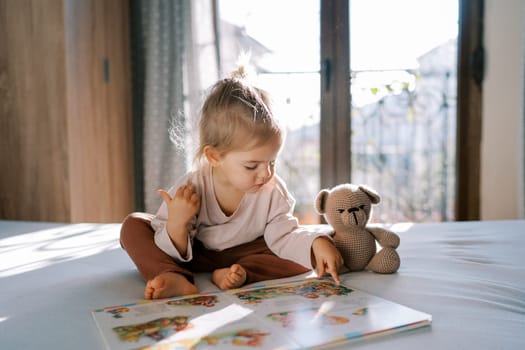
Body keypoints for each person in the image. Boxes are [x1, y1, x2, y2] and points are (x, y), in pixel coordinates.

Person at [120, 66, 343, 300]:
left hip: (249, 252)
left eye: (272, 162)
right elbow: (168, 247)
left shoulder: (272, 189)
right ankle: (173, 276)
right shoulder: (192, 186)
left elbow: (284, 237)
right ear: (215, 156)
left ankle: (239, 274)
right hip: (198, 252)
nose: (265, 173)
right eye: (251, 166)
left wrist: (315, 243)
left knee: (301, 256)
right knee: (133, 226)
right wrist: (177, 222)